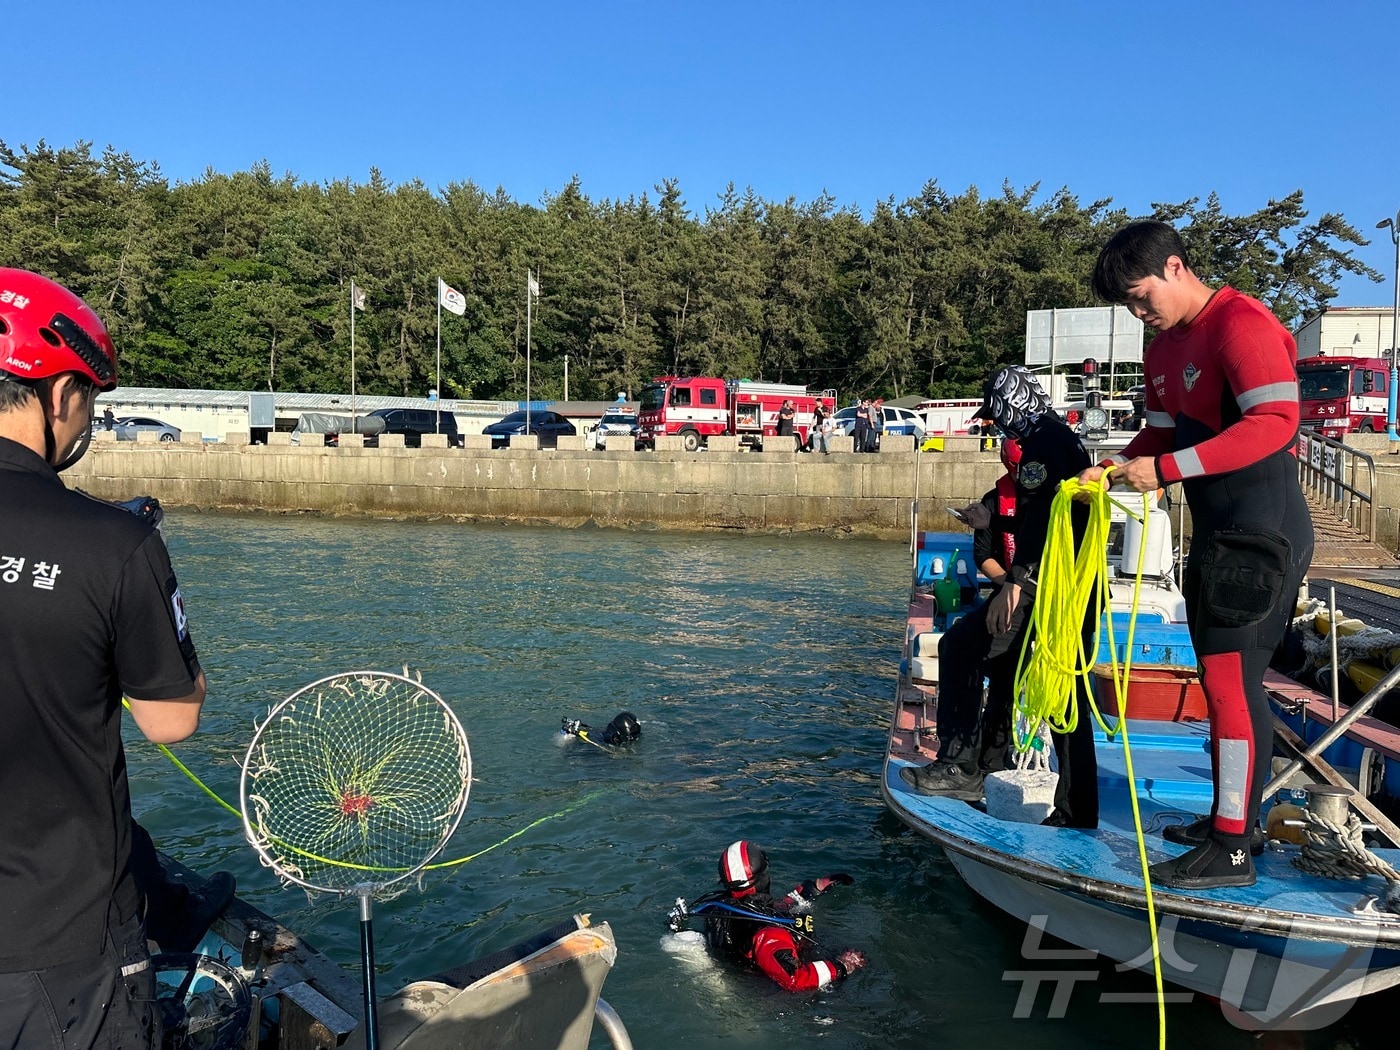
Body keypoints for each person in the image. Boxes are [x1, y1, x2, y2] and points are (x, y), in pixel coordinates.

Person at [0, 268, 211, 1048]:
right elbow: (170, 718)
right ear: (58, 395)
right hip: (59, 952)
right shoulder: (116, 546)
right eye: (89, 395)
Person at [1081, 221, 1314, 890]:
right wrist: (1115, 466)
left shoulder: (1241, 324)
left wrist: (1170, 469)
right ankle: (1235, 822)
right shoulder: (1162, 352)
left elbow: (1274, 424)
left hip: (1261, 531)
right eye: (1126, 304)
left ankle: (1232, 849)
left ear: (1176, 267)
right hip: (1217, 532)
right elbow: (1156, 436)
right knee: (1228, 686)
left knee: (1228, 684)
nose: (1137, 311)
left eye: (1140, 295)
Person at [900, 365, 1099, 829]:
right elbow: (1048, 517)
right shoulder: (1062, 439)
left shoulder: (1043, 445)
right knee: (1066, 692)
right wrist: (995, 525)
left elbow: (1047, 524)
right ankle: (1077, 808)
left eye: (1000, 413)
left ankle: (961, 767)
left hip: (1045, 588)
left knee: (961, 647)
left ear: (1014, 402)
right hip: (1070, 587)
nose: (1000, 425)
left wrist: (1018, 582)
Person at [670, 841, 866, 992]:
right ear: (764, 874)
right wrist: (841, 965)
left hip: (741, 969)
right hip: (774, 992)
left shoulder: (718, 907)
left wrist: (817, 886)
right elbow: (794, 979)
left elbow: (775, 907)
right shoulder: (768, 933)